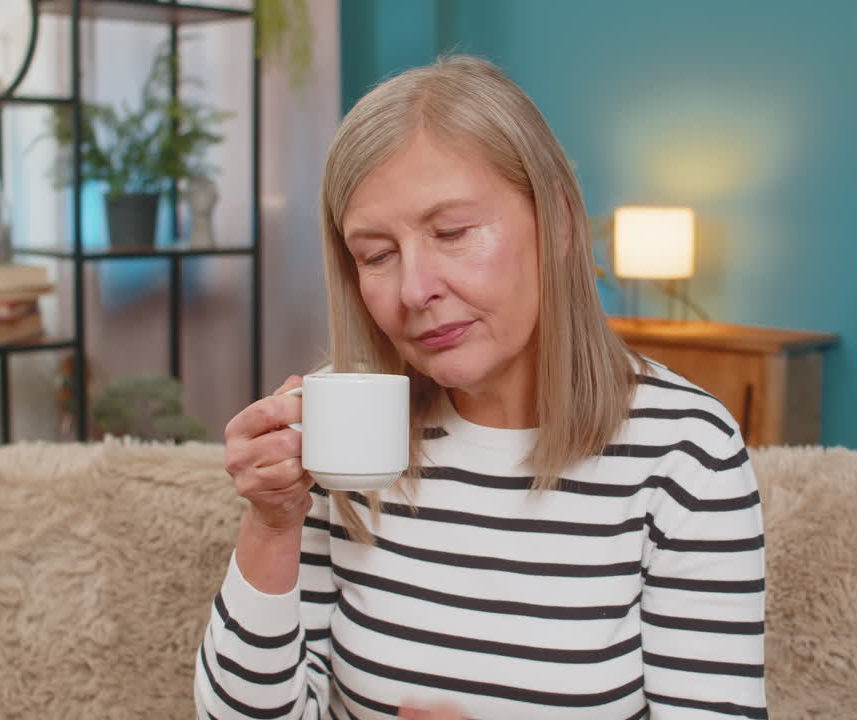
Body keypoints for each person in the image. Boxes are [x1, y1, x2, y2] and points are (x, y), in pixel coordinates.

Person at [195, 55, 766, 720]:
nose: (413, 290)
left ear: (555, 222)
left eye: (453, 233)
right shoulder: (343, 425)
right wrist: (272, 525)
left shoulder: (685, 452)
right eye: (376, 255)